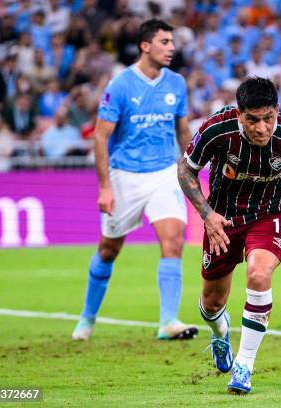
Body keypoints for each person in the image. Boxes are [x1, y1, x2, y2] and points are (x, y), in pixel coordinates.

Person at [178, 77, 281, 394]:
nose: (261, 128)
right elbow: (186, 168)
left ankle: (244, 366)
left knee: (259, 274)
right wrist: (207, 215)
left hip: (270, 215)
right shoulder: (216, 128)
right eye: (253, 120)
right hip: (223, 221)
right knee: (211, 303)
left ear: (277, 111)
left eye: (268, 118)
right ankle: (219, 333)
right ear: (239, 114)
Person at [71, 19, 197, 341]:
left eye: (172, 42)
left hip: (163, 173)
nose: (171, 48)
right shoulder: (120, 85)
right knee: (108, 250)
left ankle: (168, 322)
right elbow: (101, 137)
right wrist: (105, 186)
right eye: (165, 42)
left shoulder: (176, 84)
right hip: (125, 176)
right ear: (145, 45)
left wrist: (190, 170)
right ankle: (86, 319)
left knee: (173, 242)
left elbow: (182, 131)